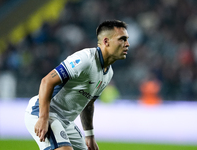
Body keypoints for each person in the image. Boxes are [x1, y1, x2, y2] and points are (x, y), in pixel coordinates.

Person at [25, 20, 130, 150]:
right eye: (122, 39)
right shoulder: (86, 59)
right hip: (44, 112)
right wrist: (43, 117)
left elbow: (88, 103)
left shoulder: (108, 73)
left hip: (66, 121)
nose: (127, 44)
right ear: (106, 41)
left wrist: (90, 135)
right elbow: (47, 81)